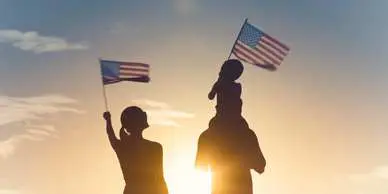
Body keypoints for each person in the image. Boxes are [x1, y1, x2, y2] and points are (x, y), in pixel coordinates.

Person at [103, 106, 169, 194]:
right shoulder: (155, 147)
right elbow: (160, 177)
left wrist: (108, 120)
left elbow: (111, 135)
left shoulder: (123, 147)